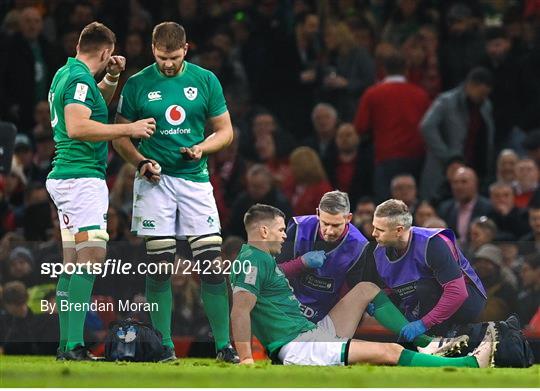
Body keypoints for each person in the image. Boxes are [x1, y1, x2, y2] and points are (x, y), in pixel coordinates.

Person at [230, 203, 496, 367]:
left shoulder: (260, 259)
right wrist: (246, 359)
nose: (285, 234)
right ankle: (470, 365)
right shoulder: (253, 260)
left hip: (310, 332)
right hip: (300, 346)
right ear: (263, 232)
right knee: (390, 351)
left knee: (366, 289)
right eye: (280, 230)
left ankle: (426, 343)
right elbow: (240, 309)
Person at [113, 22, 238, 363]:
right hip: (155, 182)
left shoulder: (205, 80)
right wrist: (140, 162)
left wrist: (203, 147)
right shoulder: (138, 84)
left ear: (186, 49)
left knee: (212, 264)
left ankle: (224, 346)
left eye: (173, 56)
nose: (167, 63)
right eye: (161, 56)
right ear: (153, 49)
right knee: (159, 267)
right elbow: (120, 135)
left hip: (195, 181)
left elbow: (224, 130)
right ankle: (164, 346)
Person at [45, 22, 155, 361]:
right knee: (91, 257)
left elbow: (89, 109)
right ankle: (75, 345)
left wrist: (109, 80)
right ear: (106, 51)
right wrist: (129, 128)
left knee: (73, 263)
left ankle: (67, 345)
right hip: (81, 179)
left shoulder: (68, 75)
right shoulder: (77, 79)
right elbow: (78, 126)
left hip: (68, 177)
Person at [368, 199, 487, 337]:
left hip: (466, 301)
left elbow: (457, 292)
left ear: (399, 230)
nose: (373, 234)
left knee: (425, 287)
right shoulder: (379, 253)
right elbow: (393, 291)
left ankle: (436, 339)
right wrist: (380, 302)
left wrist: (423, 324)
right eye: (374, 227)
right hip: (421, 301)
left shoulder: (432, 244)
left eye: (380, 230)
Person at [276, 191, 368, 323]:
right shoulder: (298, 228)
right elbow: (272, 273)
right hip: (286, 307)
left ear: (348, 218)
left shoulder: (360, 246)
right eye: (325, 223)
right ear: (318, 213)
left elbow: (350, 295)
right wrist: (300, 263)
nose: (329, 231)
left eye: (336, 225)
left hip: (324, 317)